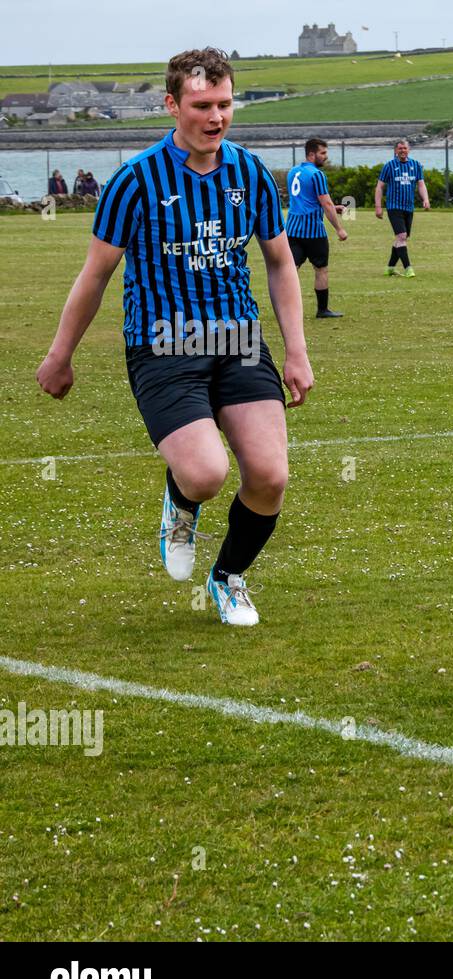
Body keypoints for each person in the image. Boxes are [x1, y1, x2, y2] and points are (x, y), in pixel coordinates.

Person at [36, 47, 314, 627]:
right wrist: (61, 355)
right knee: (206, 473)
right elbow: (96, 275)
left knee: (270, 475)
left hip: (237, 337)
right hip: (164, 342)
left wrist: (296, 350)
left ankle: (229, 577)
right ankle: (181, 504)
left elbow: (281, 264)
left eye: (225, 104)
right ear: (172, 104)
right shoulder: (134, 181)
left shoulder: (251, 173)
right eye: (202, 105)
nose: (216, 117)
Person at [286, 137, 348, 318]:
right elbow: (325, 203)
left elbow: (304, 199)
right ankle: (322, 310)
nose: (325, 157)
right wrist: (339, 229)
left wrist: (333, 207)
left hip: (292, 229)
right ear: (311, 154)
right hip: (313, 231)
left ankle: (288, 309)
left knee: (291, 270)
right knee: (321, 269)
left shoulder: (293, 171)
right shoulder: (317, 175)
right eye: (323, 153)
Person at [375, 138, 428, 277]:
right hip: (394, 207)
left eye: (404, 148)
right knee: (402, 236)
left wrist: (426, 199)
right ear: (395, 151)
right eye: (400, 148)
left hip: (409, 207)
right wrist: (378, 206)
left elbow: (421, 184)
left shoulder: (416, 165)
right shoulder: (389, 166)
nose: (402, 151)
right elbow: (380, 187)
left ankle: (390, 268)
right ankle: (408, 268)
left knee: (401, 239)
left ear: (408, 149)